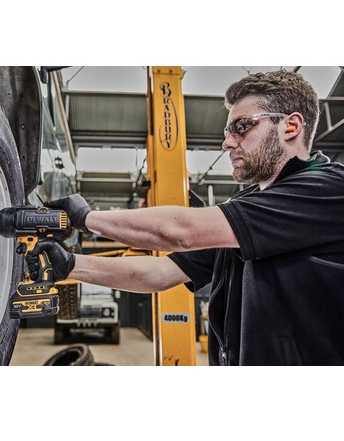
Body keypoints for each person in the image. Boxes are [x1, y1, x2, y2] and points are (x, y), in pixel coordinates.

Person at [28, 70, 344, 366]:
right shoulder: (245, 211)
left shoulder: (328, 190)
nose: (227, 142)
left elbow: (181, 232)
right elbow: (161, 273)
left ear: (291, 126)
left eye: (241, 126)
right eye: (227, 131)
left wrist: (85, 218)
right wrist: (70, 265)